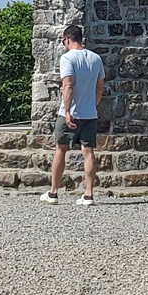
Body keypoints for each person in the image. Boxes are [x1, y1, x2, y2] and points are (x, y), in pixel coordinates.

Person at [40, 25, 105, 206]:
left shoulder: (67, 58)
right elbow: (100, 86)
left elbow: (68, 85)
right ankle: (89, 194)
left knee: (61, 149)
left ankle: (53, 192)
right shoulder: (96, 58)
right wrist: (93, 105)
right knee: (88, 151)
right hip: (89, 113)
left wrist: (67, 111)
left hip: (71, 113)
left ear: (67, 39)